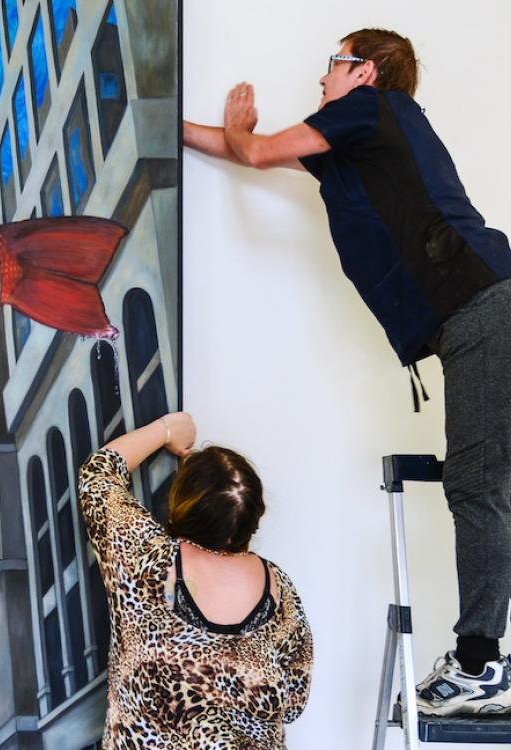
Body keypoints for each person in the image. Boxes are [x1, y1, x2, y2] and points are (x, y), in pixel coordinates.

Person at [184, 28, 511, 714]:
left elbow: (257, 146)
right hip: (482, 311)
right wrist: (177, 128)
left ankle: (480, 665)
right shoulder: (360, 145)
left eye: (331, 65)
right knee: (486, 483)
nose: (321, 79)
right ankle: (482, 661)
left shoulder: (372, 109)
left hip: (484, 308)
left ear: (365, 72)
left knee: (478, 485)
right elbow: (252, 157)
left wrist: (245, 129)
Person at [78, 411, 312, 748]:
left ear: (180, 508)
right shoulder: (279, 590)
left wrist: (167, 430)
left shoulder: (145, 561)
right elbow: (293, 702)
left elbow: (98, 475)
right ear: (254, 518)